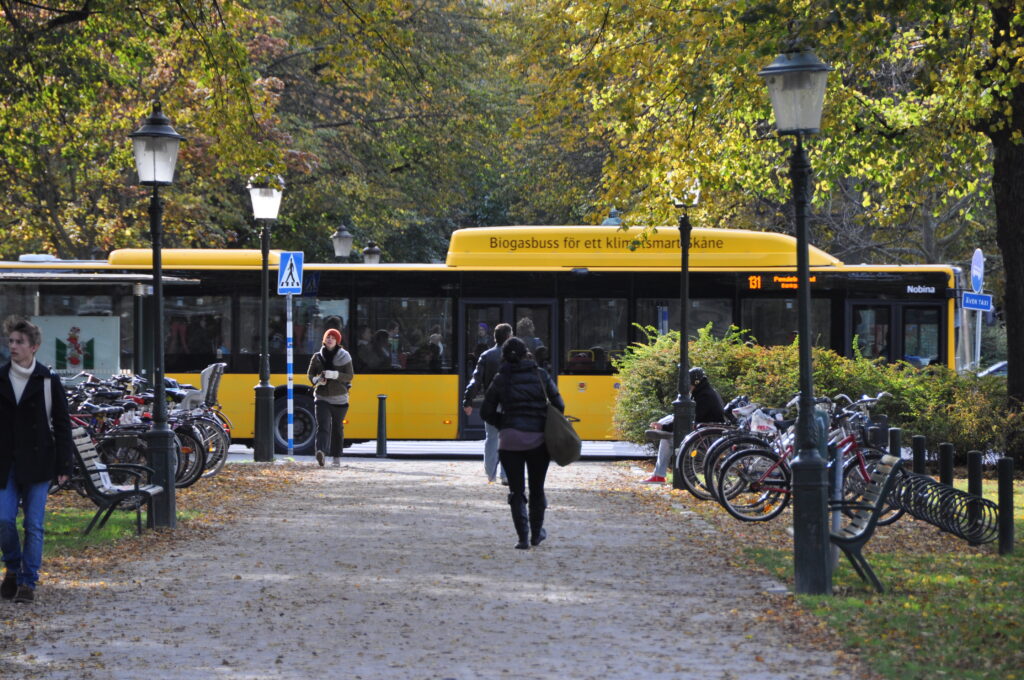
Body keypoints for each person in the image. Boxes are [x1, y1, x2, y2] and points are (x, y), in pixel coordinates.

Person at [0, 316, 74, 604]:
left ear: (34, 347)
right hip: (5, 462)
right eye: (11, 342)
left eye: (20, 342)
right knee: (4, 520)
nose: (14, 346)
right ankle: (13, 568)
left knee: (34, 524)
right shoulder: (1, 377)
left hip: (39, 461)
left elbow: (62, 424)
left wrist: (65, 466)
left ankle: (28, 581)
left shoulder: (47, 380)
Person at [481, 337, 564, 550]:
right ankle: (537, 534)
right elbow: (559, 404)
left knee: (516, 491)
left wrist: (505, 424)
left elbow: (486, 412)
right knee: (537, 489)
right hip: (538, 441)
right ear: (527, 352)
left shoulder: (501, 378)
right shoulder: (541, 375)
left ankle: (522, 538)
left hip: (510, 441)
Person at [643, 366, 727, 484]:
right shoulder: (705, 392)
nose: (687, 387)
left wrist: (665, 427)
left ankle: (659, 475)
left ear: (695, 382)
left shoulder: (704, 396)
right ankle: (659, 474)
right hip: (704, 430)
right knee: (668, 423)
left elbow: (688, 421)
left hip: (704, 434)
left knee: (667, 440)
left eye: (689, 384)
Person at [463, 323, 512, 485]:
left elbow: (476, 381)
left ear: (495, 337)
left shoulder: (486, 355)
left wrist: (468, 400)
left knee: (491, 438)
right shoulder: (515, 356)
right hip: (511, 404)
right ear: (509, 337)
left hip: (491, 404)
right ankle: (505, 475)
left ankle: (490, 474)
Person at [307, 329, 354, 468]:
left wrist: (335, 375)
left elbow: (349, 376)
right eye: (328, 337)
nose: (330, 339)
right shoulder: (317, 357)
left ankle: (336, 457)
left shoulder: (345, 356)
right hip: (322, 397)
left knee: (337, 428)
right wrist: (316, 379)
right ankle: (321, 452)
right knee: (323, 426)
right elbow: (310, 375)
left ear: (337, 341)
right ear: (324, 339)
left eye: (333, 338)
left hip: (340, 398)